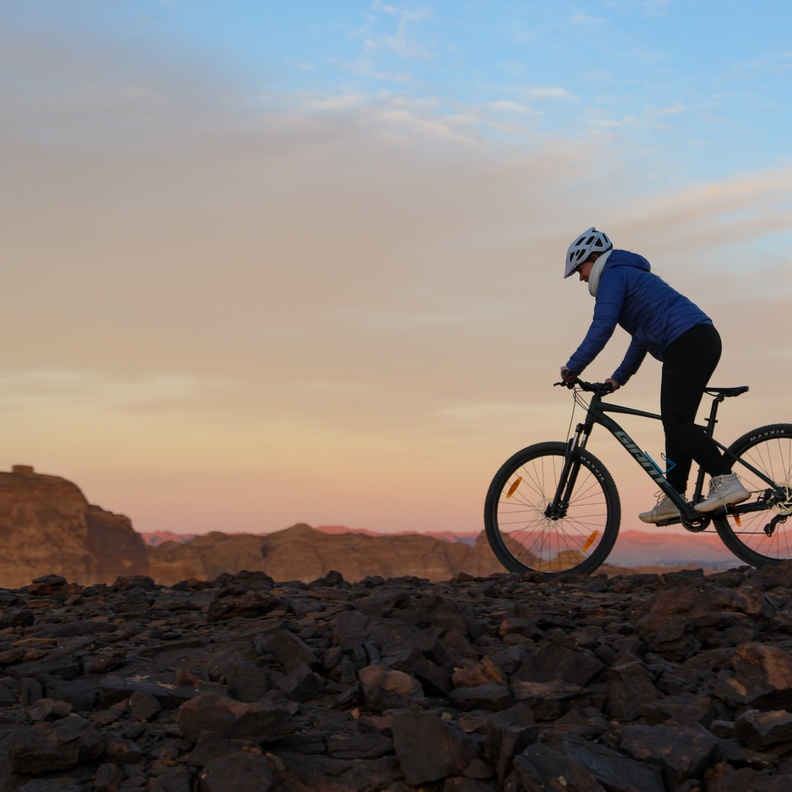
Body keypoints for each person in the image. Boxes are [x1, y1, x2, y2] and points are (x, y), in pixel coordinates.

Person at [559, 226, 749, 523]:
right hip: (695, 340)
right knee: (674, 423)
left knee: (676, 420)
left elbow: (603, 325)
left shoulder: (614, 275)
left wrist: (574, 365)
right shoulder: (627, 276)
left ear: (594, 258)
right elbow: (641, 338)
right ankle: (675, 496)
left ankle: (726, 480)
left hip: (688, 342)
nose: (580, 278)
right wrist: (617, 378)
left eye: (580, 269)